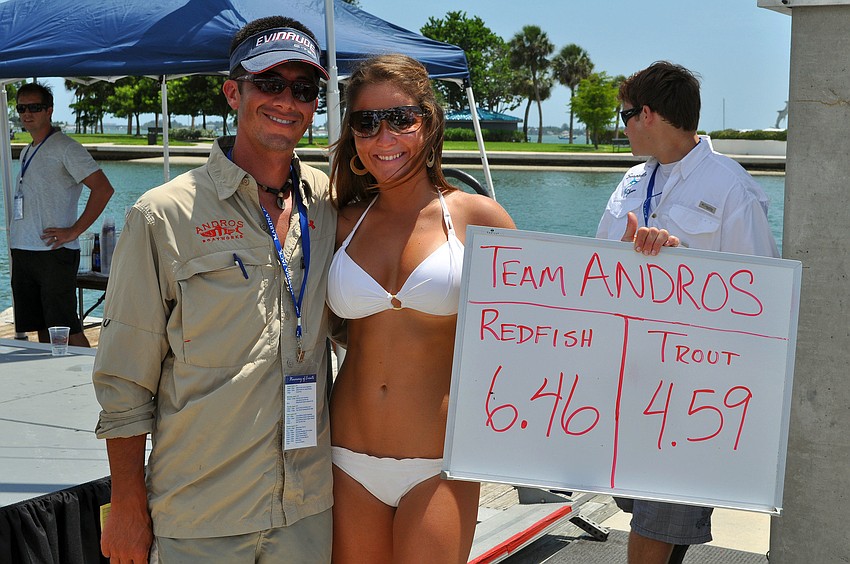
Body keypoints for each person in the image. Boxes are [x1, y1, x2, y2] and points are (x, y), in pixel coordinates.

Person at [92, 16, 336, 563]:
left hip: (308, 512)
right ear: (233, 92)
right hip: (201, 514)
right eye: (270, 83)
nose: (287, 101)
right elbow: (124, 380)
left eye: (303, 89)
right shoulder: (162, 216)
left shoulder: (328, 201)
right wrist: (127, 504)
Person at [325, 54, 516, 562]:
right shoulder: (339, 222)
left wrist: (647, 259)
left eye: (400, 118)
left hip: (440, 463)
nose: (383, 136)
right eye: (366, 122)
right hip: (345, 457)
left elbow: (547, 325)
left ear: (429, 123)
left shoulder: (478, 217)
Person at [597, 61, 779, 564]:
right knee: (641, 509)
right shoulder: (631, 182)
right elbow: (592, 270)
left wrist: (681, 265)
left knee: (657, 524)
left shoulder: (731, 189)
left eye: (625, 115)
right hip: (626, 385)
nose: (623, 126)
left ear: (648, 114)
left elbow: (759, 296)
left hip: (690, 393)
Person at [10, 82, 114, 347]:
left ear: (49, 110)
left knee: (65, 327)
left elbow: (103, 189)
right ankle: (51, 376)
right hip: (24, 250)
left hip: (55, 253)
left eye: (34, 107)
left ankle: (87, 382)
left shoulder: (67, 148)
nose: (26, 114)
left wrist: (74, 231)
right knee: (41, 328)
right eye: (21, 108)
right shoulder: (27, 150)